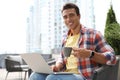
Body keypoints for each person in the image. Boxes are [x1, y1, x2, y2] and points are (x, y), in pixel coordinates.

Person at [29, 3, 116, 80]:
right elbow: (62, 58)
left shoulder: (93, 34)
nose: (68, 19)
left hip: (83, 76)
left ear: (79, 16)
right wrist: (57, 66)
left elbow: (112, 58)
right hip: (65, 74)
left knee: (52, 78)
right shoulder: (65, 38)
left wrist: (90, 54)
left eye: (71, 15)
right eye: (65, 17)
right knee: (35, 76)